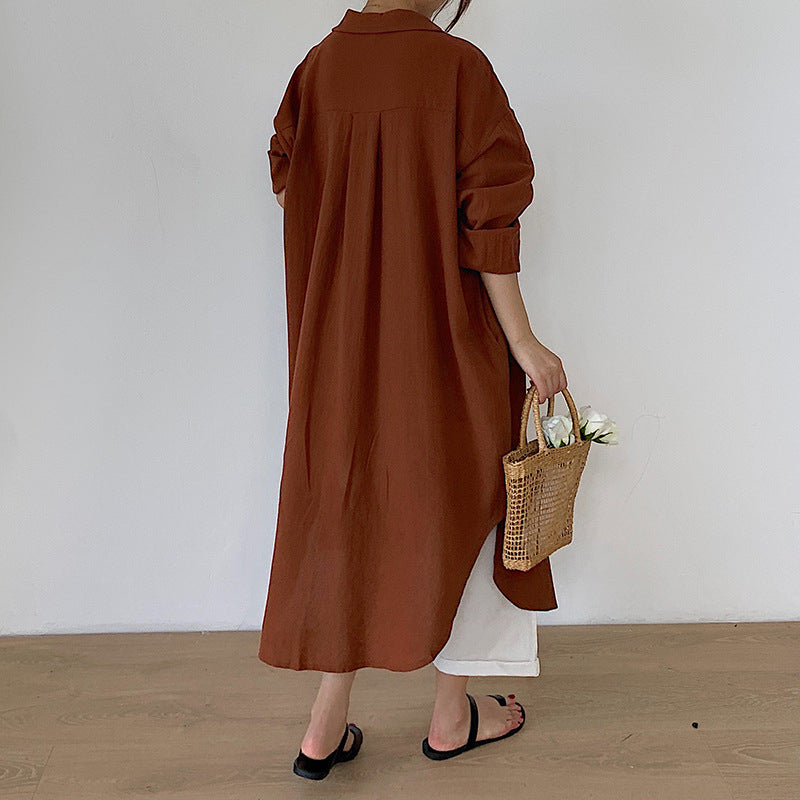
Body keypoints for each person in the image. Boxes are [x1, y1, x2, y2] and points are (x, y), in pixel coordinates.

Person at [260, 0, 568, 778]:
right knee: (473, 506)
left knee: (346, 511)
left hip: (337, 353)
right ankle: (450, 715)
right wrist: (523, 341)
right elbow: (488, 221)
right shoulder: (459, 69)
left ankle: (323, 727)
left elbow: (290, 182)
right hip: (442, 343)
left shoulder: (319, 67)